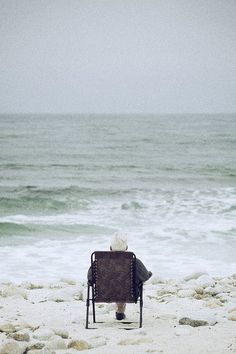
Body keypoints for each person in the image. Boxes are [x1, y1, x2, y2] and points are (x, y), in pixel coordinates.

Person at [87, 232, 152, 321]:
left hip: (104, 294)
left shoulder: (99, 262)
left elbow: (90, 278)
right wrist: (148, 273)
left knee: (116, 282)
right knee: (126, 283)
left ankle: (120, 312)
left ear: (110, 248)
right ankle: (120, 311)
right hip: (129, 294)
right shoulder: (134, 261)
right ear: (126, 248)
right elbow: (145, 276)